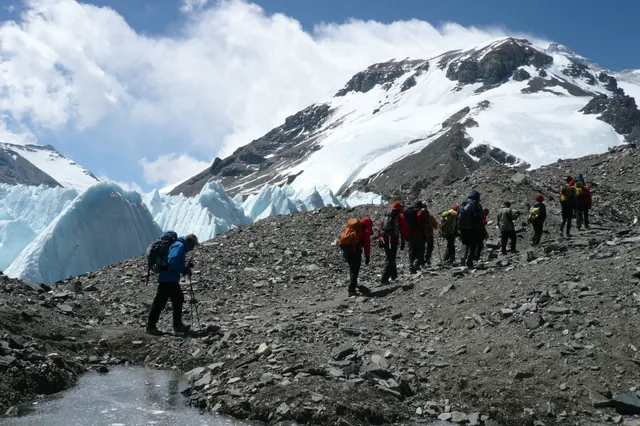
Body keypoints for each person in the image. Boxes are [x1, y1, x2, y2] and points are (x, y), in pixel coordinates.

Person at [146, 233, 199, 335]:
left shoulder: (178, 245)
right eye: (193, 245)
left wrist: (183, 269)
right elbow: (172, 261)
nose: (193, 247)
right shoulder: (179, 246)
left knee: (178, 299)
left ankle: (177, 325)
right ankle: (151, 326)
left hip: (171, 278)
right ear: (190, 242)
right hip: (168, 279)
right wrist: (184, 269)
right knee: (160, 302)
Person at [338, 217, 373, 296]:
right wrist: (367, 256)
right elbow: (367, 245)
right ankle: (351, 289)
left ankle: (354, 283)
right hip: (355, 249)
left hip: (345, 247)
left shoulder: (353, 228)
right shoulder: (364, 231)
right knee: (355, 268)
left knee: (352, 267)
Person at [378, 201, 408, 284]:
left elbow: (380, 227)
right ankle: (384, 279)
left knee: (391, 257)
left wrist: (380, 239)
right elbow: (403, 230)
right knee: (390, 258)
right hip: (393, 240)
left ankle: (394, 276)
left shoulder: (385, 215)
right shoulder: (399, 216)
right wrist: (403, 242)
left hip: (385, 239)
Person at [457, 190, 484, 268]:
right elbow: (481, 216)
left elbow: (457, 215)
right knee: (472, 245)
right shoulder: (475, 204)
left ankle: (462, 259)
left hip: (462, 228)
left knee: (465, 244)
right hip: (472, 228)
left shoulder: (463, 203)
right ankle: (469, 263)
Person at [405, 201, 427, 274]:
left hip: (409, 233)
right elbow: (422, 223)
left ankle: (411, 265)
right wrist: (424, 233)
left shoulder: (408, 211)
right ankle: (416, 264)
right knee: (419, 248)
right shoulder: (419, 211)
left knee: (411, 249)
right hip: (418, 233)